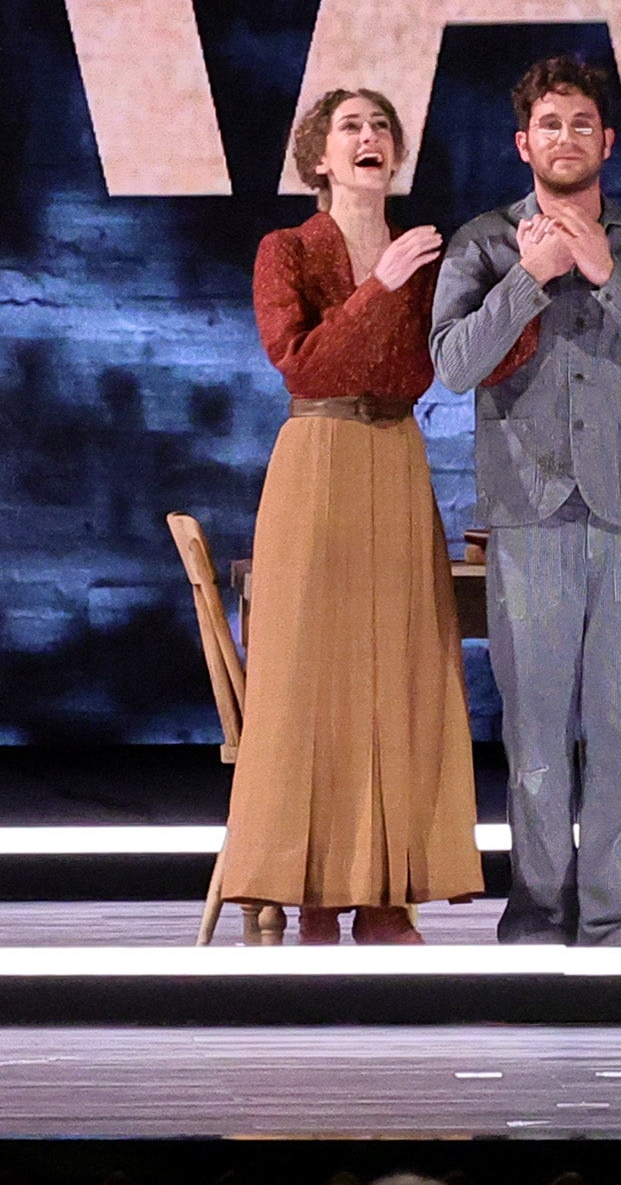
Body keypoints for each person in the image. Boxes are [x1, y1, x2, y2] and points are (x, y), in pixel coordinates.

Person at [429, 55, 621, 946]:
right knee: (537, 730)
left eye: (580, 124)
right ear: (523, 142)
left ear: (607, 142)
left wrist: (604, 275)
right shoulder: (482, 242)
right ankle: (539, 907)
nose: (564, 138)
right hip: (528, 509)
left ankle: (612, 913)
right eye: (548, 124)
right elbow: (452, 364)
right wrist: (528, 278)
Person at [219, 87, 487, 943]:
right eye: (350, 128)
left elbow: (452, 363)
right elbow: (303, 363)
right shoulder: (287, 249)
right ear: (319, 159)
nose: (369, 137)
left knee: (397, 670)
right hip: (321, 451)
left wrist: (527, 278)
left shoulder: (430, 255)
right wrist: (381, 284)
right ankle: (313, 893)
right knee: (313, 676)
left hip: (396, 455)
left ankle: (384, 892)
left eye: (380, 126)